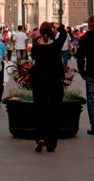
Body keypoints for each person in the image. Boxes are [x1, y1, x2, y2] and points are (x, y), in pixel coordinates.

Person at [30, 21, 68, 153]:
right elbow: (63, 34)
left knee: (39, 111)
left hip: (39, 83)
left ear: (40, 33)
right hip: (55, 83)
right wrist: (57, 27)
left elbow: (34, 58)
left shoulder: (35, 49)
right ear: (51, 32)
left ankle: (40, 137)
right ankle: (51, 143)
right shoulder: (56, 47)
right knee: (54, 112)